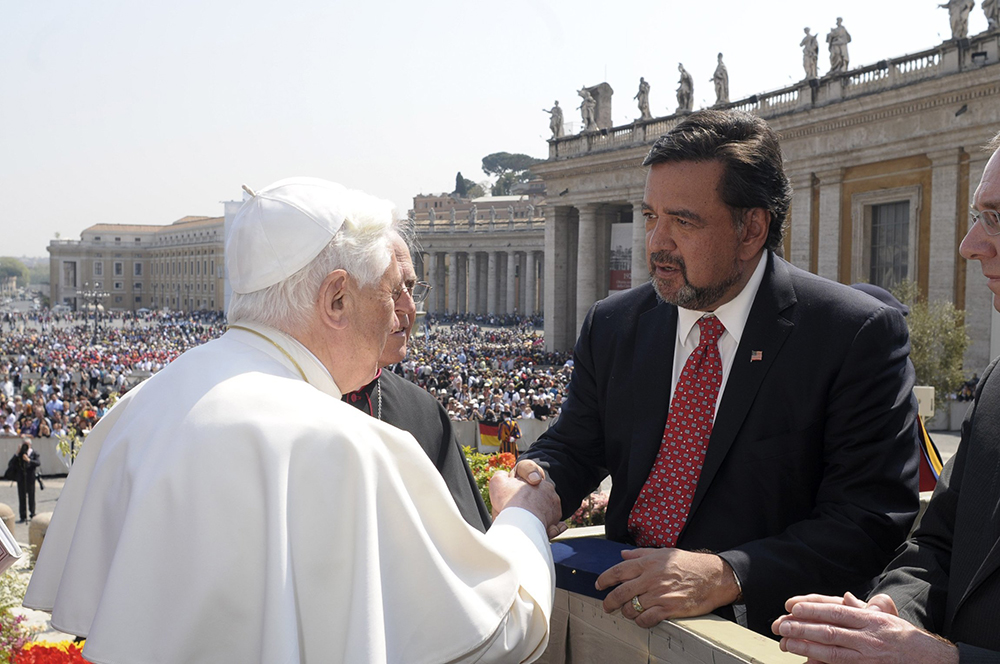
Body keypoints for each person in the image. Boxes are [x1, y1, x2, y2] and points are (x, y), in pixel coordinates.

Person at [24, 177, 563, 663]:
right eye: (390, 290)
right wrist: (524, 519)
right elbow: (496, 632)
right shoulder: (346, 445)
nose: (402, 312)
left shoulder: (135, 408)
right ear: (336, 299)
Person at [515, 109, 919, 636]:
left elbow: (868, 521)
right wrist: (537, 486)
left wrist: (727, 573)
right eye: (651, 216)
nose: (657, 242)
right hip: (619, 615)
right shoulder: (614, 324)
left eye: (682, 221)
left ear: (751, 228)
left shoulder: (852, 336)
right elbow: (575, 447)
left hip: (758, 633)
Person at [772, 130, 1000, 662]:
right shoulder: (994, 389)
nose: (968, 245)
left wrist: (944, 660)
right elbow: (935, 547)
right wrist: (888, 613)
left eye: (998, 217)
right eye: (977, 215)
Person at [344, 235, 492, 532]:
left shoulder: (425, 412)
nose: (409, 307)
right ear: (337, 297)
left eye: (410, 288)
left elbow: (468, 541)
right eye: (393, 290)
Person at [15, 438, 40, 523]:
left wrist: (29, 460)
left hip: (30, 477)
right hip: (21, 478)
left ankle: (32, 513)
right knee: (21, 497)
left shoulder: (34, 453)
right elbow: (12, 464)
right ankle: (23, 515)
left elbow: (38, 463)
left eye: (27, 444)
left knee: (31, 496)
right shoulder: (20, 454)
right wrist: (17, 453)